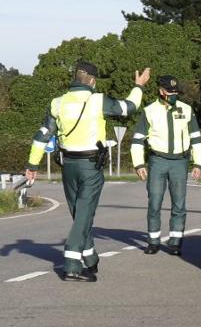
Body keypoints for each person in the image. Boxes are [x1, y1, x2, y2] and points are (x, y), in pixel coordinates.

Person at [24, 60, 150, 282]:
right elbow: (129, 107)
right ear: (92, 81)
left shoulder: (57, 103)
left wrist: (32, 166)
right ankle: (72, 265)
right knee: (84, 214)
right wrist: (138, 86)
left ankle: (90, 258)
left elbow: (42, 135)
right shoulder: (98, 100)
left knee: (78, 214)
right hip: (90, 165)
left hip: (68, 166)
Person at [131, 74, 201, 256]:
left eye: (176, 92)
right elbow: (138, 140)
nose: (173, 95)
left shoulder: (186, 110)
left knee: (179, 204)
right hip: (158, 161)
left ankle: (175, 243)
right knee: (154, 202)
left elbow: (196, 138)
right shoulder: (150, 111)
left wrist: (198, 163)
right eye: (169, 92)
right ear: (161, 91)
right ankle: (153, 241)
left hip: (180, 161)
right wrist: (139, 164)